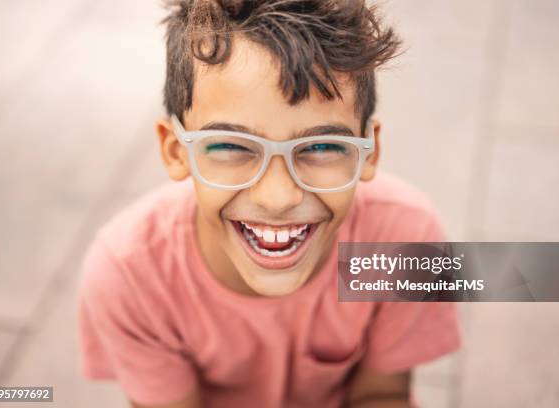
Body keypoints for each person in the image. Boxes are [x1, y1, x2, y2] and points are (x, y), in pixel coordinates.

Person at [77, 1, 461, 407]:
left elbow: (382, 394)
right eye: (230, 145)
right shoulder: (130, 274)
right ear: (175, 151)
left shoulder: (406, 242)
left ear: (369, 152)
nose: (278, 198)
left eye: (323, 146)